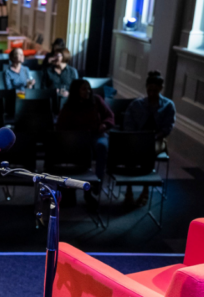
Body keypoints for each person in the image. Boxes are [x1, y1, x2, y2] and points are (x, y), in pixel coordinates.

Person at [55, 78, 115, 205]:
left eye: (88, 88)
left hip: (96, 134)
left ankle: (96, 184)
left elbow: (110, 116)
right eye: (83, 89)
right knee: (83, 152)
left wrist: (104, 124)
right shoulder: (69, 106)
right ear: (76, 91)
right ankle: (80, 189)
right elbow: (61, 126)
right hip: (78, 138)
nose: (87, 91)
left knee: (102, 147)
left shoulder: (96, 100)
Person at [122, 70, 176, 206]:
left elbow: (167, 128)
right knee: (130, 151)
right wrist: (136, 137)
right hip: (137, 138)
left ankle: (145, 190)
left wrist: (154, 137)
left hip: (157, 140)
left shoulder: (168, 105)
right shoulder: (137, 104)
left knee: (149, 150)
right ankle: (129, 189)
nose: (151, 92)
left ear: (160, 88)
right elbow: (128, 123)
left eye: (155, 90)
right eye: (149, 89)